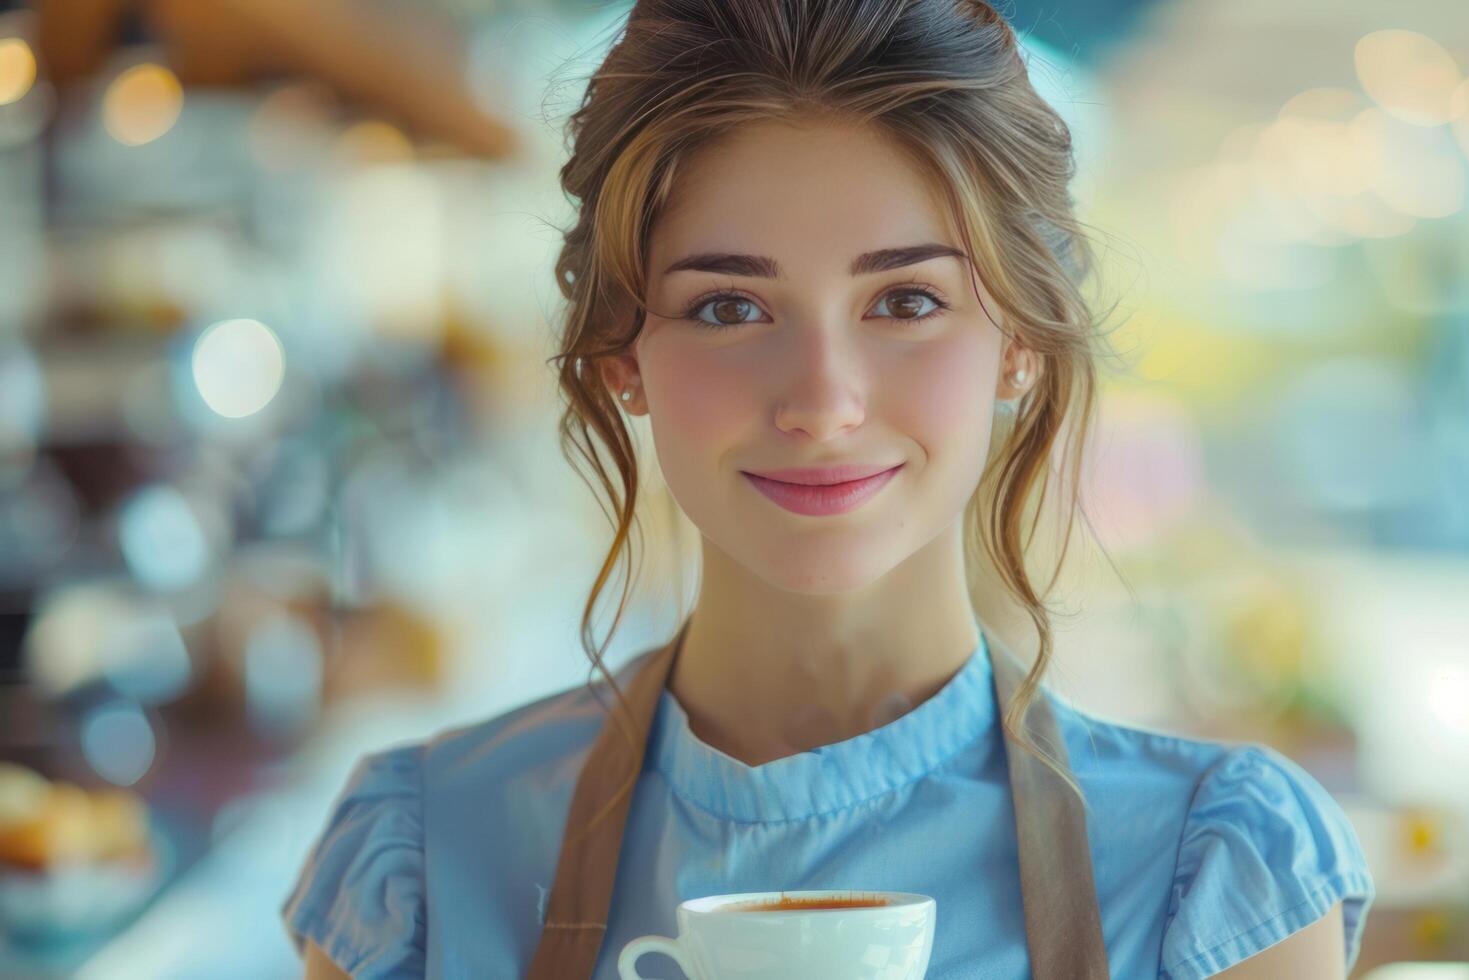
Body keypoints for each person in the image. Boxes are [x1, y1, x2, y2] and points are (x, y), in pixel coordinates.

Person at [282, 1, 1375, 977]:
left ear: (1019, 345)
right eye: (728, 307)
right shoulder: (426, 859)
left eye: (905, 300)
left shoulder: (1213, 874)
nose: (822, 400)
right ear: (623, 351)